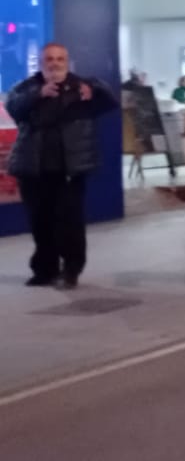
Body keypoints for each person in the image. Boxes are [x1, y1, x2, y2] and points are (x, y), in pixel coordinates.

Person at [5, 43, 117, 289]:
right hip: (33, 169)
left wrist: (95, 88)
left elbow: (110, 100)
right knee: (40, 222)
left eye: (59, 59)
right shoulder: (28, 87)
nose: (54, 63)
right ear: (41, 62)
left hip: (69, 169)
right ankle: (45, 270)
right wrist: (39, 94)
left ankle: (71, 270)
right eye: (49, 59)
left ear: (68, 62)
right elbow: (13, 107)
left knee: (70, 223)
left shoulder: (82, 87)